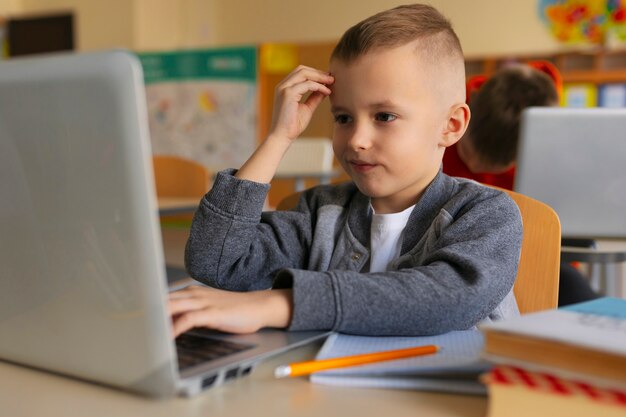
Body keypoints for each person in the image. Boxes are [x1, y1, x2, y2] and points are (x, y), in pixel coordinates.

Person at [168, 4, 523, 337]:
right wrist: (279, 137)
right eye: (343, 118)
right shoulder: (319, 212)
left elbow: (448, 299)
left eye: (384, 116)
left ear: (451, 124)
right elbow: (214, 261)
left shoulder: (487, 213)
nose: (357, 140)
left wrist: (280, 304)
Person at [442, 64, 599, 306]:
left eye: (493, 166)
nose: (472, 165)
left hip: (522, 257)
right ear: (464, 117)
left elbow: (554, 233)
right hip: (452, 251)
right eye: (466, 150)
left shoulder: (548, 146)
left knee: (569, 285)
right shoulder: (444, 110)